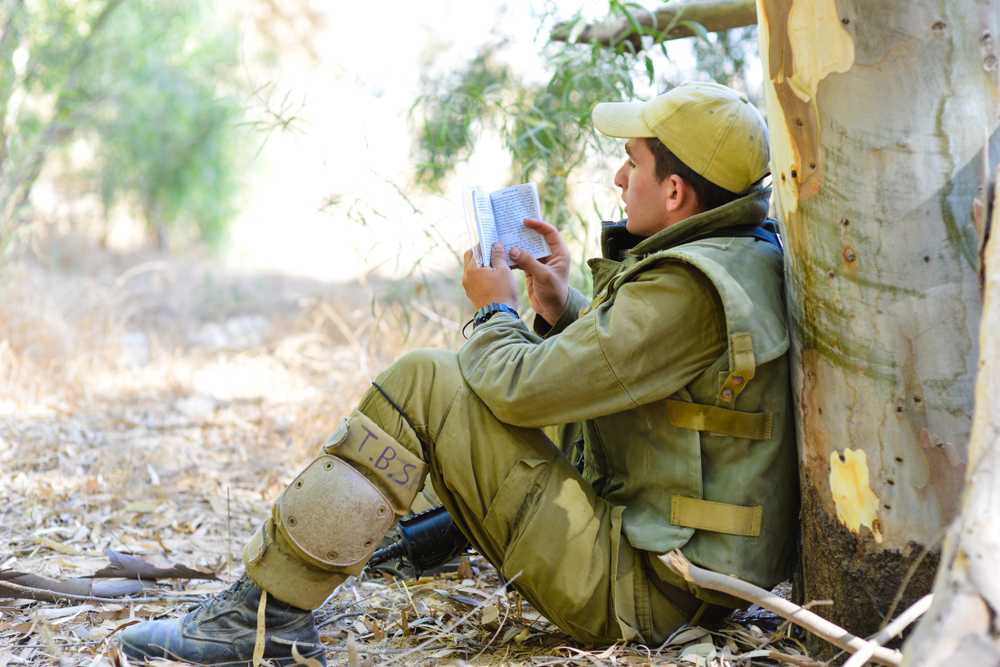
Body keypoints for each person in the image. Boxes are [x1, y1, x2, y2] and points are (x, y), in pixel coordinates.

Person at [120, 81, 799, 666]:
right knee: (450, 395)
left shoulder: (685, 288)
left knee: (424, 381)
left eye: (632, 164)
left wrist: (494, 311)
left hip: (646, 595)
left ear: (676, 190)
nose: (621, 179)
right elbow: (640, 376)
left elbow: (520, 388)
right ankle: (398, 543)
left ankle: (261, 619)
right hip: (688, 579)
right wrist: (565, 307)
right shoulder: (734, 254)